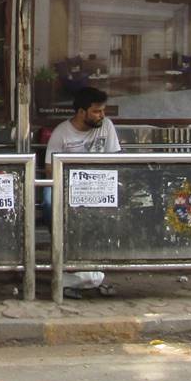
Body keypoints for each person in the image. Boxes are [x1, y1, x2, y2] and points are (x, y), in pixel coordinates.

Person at [45, 86, 120, 299]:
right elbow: (50, 169)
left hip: (99, 187)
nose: (101, 115)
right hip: (67, 187)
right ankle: (62, 246)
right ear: (81, 112)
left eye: (102, 111)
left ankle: (94, 263)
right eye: (96, 111)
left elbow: (115, 160)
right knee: (50, 202)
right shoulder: (62, 132)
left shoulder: (107, 127)